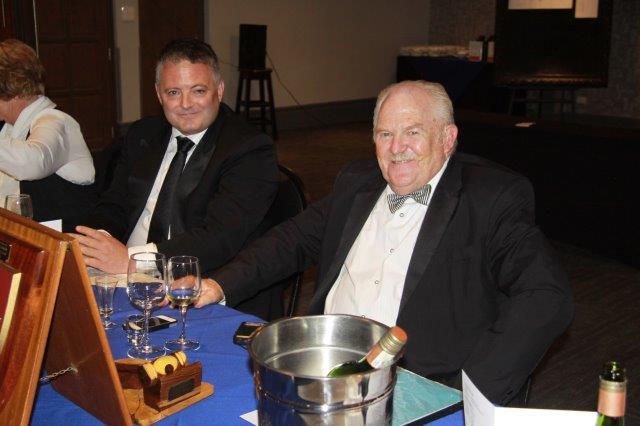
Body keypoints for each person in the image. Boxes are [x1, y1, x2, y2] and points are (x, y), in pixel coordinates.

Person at [195, 80, 574, 404]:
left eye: (413, 132)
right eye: (385, 134)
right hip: (322, 370)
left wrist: (470, 394)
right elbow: (291, 239)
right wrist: (218, 284)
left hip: (414, 388)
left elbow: (546, 296)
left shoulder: (491, 199)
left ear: (447, 138)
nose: (397, 148)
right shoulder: (357, 182)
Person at [74, 38, 280, 318]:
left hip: (198, 287)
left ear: (219, 90)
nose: (185, 104)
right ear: (158, 94)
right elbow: (114, 203)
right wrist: (97, 243)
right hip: (124, 280)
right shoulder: (143, 134)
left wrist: (134, 261)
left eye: (198, 91)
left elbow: (220, 238)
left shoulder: (249, 148)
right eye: (173, 92)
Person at [0, 39, 95, 229]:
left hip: (67, 243)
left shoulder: (56, 121)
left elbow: (32, 163)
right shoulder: (10, 128)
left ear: (13, 88)